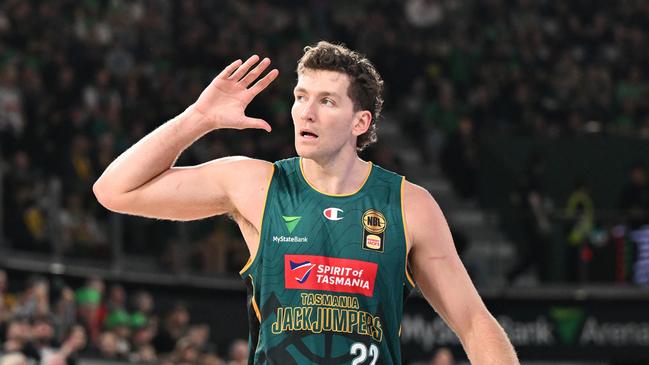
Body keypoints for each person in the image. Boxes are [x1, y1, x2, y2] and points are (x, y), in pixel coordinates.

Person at [94, 41, 518, 364]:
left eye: (326, 101)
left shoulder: (409, 204)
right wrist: (198, 119)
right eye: (300, 96)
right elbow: (115, 190)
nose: (305, 112)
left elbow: (475, 324)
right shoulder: (255, 183)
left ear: (360, 122)